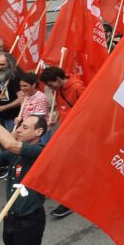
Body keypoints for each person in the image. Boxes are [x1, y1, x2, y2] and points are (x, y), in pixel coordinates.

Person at [0, 102, 47, 245]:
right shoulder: (14, 152)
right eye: (19, 126)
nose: (18, 130)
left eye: (24, 127)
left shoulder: (41, 151)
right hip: (10, 215)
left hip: (30, 219)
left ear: (38, 132)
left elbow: (9, 144)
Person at [38, 66, 85, 219]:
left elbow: (88, 110)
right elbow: (61, 107)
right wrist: (55, 117)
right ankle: (69, 198)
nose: (51, 89)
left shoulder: (77, 87)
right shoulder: (57, 89)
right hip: (66, 133)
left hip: (79, 135)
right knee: (66, 167)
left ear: (59, 79)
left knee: (70, 168)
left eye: (51, 85)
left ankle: (71, 200)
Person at [0, 52, 23, 131]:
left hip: (14, 117)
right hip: (2, 116)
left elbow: (22, 99)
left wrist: (2, 108)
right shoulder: (0, 76)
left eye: (2, 64)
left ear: (9, 64)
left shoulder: (16, 77)